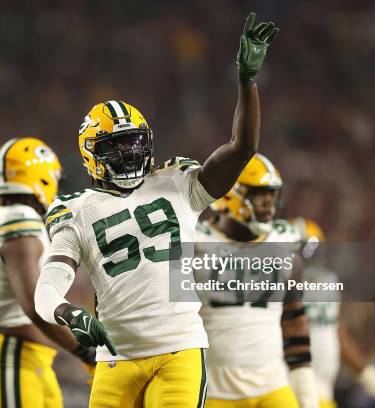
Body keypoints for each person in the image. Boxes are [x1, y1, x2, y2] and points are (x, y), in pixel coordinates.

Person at [34, 12, 279, 408]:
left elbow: (242, 148)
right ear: (92, 154)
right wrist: (67, 311)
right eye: (118, 146)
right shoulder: (75, 209)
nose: (131, 153)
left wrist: (246, 83)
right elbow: (46, 288)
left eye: (135, 143)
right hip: (116, 356)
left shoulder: (177, 182)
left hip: (179, 348)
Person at [0, 137, 94, 408]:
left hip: (28, 359)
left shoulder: (0, 218)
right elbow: (35, 304)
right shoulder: (19, 220)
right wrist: (83, 350)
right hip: (15, 358)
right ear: (41, 177)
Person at [195, 153, 319, 408]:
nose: (268, 204)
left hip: (272, 388)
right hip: (214, 391)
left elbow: (295, 323)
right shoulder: (194, 242)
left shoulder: (284, 243)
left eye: (272, 195)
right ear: (230, 193)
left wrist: (307, 399)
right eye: (259, 194)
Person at [294, 218, 375, 408]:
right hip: (292, 388)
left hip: (322, 390)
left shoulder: (327, 281)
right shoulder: (275, 287)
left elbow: (336, 334)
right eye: (305, 251)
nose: (310, 259)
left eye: (315, 250)